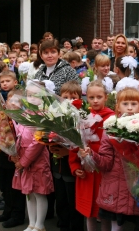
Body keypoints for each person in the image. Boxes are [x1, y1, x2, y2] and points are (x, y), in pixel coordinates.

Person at [80, 81, 139, 231]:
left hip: (138, 186)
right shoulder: (110, 130)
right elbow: (106, 163)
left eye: (134, 104)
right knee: (116, 225)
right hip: (115, 187)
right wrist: (93, 155)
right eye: (125, 103)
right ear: (118, 107)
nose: (129, 108)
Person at [69, 80, 115, 231]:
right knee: (89, 212)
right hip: (86, 173)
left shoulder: (112, 119)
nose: (95, 101)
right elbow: (74, 144)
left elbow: (114, 148)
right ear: (86, 98)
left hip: (103, 172)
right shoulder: (82, 116)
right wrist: (75, 166)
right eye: (91, 97)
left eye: (99, 97)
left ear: (106, 97)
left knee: (104, 212)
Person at [10, 88, 54, 231]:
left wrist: (24, 161)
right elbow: (20, 136)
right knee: (29, 192)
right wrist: (14, 153)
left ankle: (40, 224)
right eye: (29, 95)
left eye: (36, 95)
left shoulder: (44, 116)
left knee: (39, 192)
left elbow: (38, 142)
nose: (32, 98)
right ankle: (32, 223)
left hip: (37, 160)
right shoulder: (25, 115)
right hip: (24, 159)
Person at [0, 71, 26, 228]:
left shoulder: (20, 115)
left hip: (16, 153)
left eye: (8, 80)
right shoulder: (0, 105)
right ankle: (7, 210)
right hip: (3, 149)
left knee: (15, 186)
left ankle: (17, 214)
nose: (5, 83)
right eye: (2, 81)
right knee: (5, 182)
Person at [51, 81, 84, 231]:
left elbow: (83, 142)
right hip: (57, 164)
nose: (70, 100)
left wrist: (68, 152)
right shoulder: (55, 113)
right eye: (66, 97)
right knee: (61, 197)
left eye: (73, 97)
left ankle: (75, 225)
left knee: (73, 198)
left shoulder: (82, 116)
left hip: (72, 165)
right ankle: (63, 223)